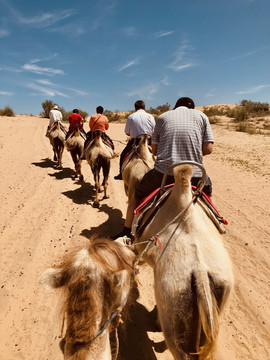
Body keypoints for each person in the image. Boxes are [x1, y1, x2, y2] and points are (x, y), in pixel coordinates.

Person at [112, 97, 214, 240]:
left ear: (174, 107)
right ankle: (216, 222)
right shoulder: (202, 116)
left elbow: (154, 151)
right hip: (195, 174)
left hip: (164, 173)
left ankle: (127, 230)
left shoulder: (163, 117)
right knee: (208, 193)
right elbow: (208, 149)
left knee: (136, 192)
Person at [114, 100, 156, 180]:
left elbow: (127, 132)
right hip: (148, 142)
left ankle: (121, 174)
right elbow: (154, 131)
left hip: (135, 142)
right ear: (144, 107)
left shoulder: (131, 117)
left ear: (135, 108)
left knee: (123, 155)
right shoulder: (150, 116)